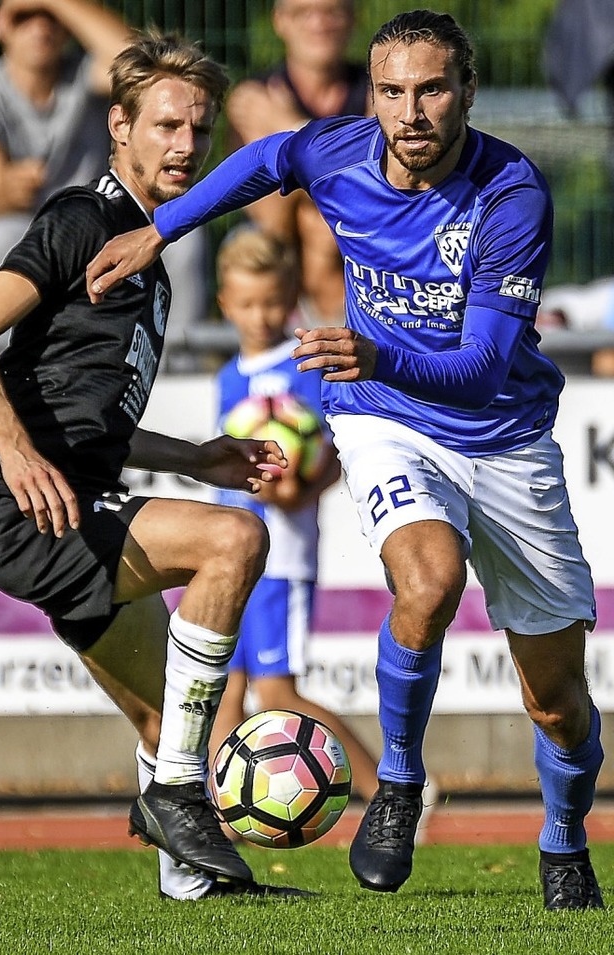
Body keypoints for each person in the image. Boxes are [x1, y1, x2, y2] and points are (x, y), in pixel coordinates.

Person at [85, 10, 606, 912]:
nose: (410, 112)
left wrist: (374, 353)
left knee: (556, 699)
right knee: (428, 578)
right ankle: (397, 784)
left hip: (504, 434)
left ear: (468, 95)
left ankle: (563, 839)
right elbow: (264, 160)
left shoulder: (510, 193)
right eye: (392, 90)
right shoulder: (340, 150)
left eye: (432, 89)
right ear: (372, 95)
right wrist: (161, 228)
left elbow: (481, 371)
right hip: (384, 418)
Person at [0, 29, 305, 902]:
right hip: (25, 503)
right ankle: (176, 794)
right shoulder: (82, 218)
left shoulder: (150, 252)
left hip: (77, 488)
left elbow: (93, 421)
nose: (185, 145)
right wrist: (12, 449)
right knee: (233, 543)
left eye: (197, 129)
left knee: (168, 710)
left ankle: (193, 886)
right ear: (118, 126)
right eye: (164, 125)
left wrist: (195, 457)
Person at [207, 225, 379, 802]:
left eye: (274, 302)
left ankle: (390, 793)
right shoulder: (228, 376)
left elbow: (329, 457)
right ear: (225, 303)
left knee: (277, 694)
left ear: (292, 296)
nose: (262, 316)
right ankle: (222, 814)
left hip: (280, 555)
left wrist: (297, 491)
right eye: (248, 304)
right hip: (226, 554)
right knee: (223, 693)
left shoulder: (305, 365)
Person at [0, 0, 132, 353]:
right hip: (23, 233)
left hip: (96, 231)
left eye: (50, 17)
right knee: (6, 235)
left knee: (182, 241)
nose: (40, 27)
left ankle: (174, 366)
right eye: (23, 16)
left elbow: (138, 62)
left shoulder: (84, 75)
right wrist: (9, 185)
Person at [225, 0, 371, 326]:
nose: (318, 23)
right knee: (292, 231)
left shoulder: (379, 91)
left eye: (332, 11)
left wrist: (286, 123)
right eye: (303, 12)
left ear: (352, 17)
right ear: (280, 20)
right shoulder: (251, 96)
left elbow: (375, 186)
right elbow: (265, 206)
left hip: (347, 239)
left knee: (322, 228)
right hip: (283, 241)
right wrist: (337, 168)